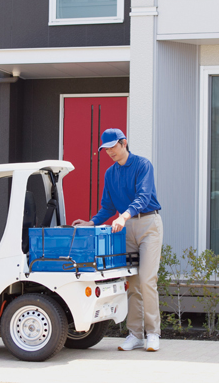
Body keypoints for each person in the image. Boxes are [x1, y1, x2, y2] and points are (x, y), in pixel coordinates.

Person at [72, 128, 163, 352]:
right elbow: (107, 207)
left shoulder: (143, 165)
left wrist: (123, 216)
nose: (110, 151)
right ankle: (135, 334)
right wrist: (91, 223)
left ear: (124, 143)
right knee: (131, 283)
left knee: (147, 280)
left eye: (113, 146)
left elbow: (143, 198)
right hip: (125, 228)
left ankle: (153, 333)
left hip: (148, 224)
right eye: (106, 149)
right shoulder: (110, 174)